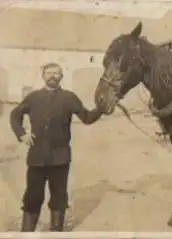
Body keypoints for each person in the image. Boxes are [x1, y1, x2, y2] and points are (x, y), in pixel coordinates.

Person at [10, 62, 103, 232]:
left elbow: (87, 117)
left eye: (57, 73)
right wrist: (22, 133)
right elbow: (15, 114)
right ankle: (26, 233)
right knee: (32, 197)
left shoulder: (69, 97)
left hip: (60, 158)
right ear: (43, 75)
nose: (53, 76)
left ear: (62, 76)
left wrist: (102, 108)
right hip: (36, 158)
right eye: (49, 73)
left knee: (59, 197)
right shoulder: (33, 97)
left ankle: (56, 231)